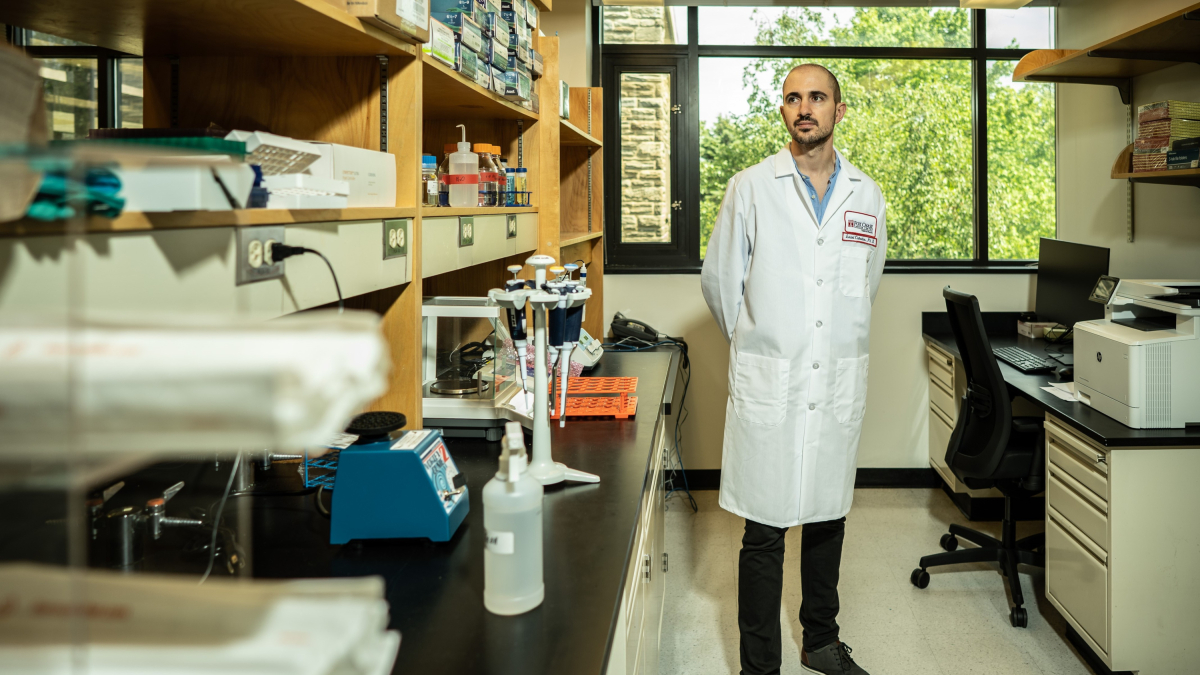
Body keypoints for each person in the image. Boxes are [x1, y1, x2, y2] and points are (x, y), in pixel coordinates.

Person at [700, 63, 887, 675]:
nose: (805, 107)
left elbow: (866, 282)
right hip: (772, 381)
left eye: (817, 97)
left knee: (829, 513)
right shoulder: (750, 187)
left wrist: (821, 342)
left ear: (838, 109)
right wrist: (765, 345)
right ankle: (761, 665)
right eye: (792, 98)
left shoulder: (867, 195)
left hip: (833, 378)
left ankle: (822, 642)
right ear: (783, 112)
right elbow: (721, 285)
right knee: (765, 528)